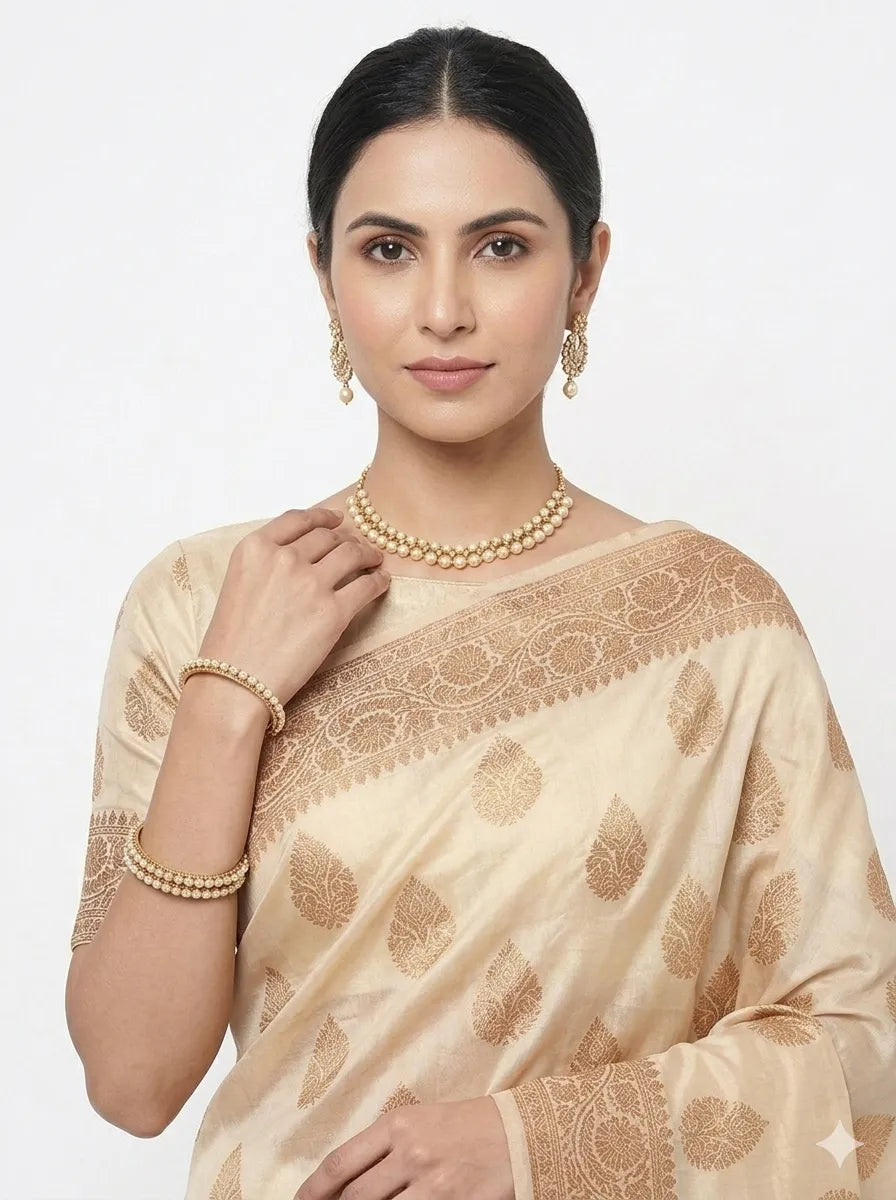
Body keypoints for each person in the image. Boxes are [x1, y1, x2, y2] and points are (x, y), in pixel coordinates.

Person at [65, 24, 896, 1200]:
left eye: (500, 246)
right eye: (389, 249)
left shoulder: (716, 621)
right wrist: (227, 701)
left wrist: (528, 1145)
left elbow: (860, 1052)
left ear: (586, 270)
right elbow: (132, 1079)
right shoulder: (204, 603)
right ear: (323, 273)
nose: (443, 308)